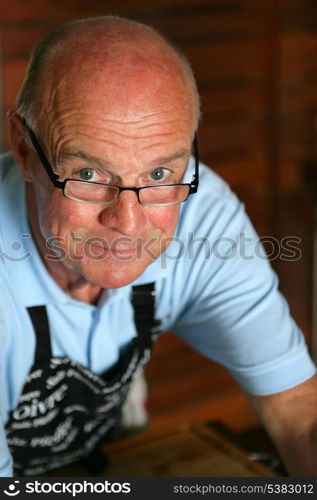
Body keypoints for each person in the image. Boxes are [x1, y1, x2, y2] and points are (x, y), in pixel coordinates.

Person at [0, 15, 316, 477]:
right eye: (88, 175)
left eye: (158, 175)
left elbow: (295, 405)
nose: (128, 222)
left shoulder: (202, 208)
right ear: (25, 151)